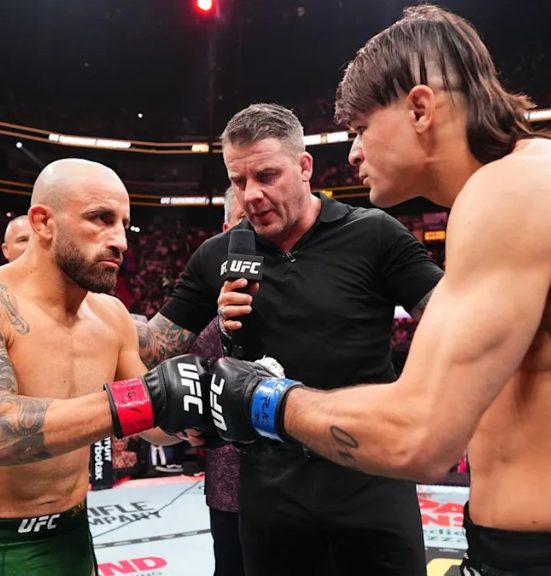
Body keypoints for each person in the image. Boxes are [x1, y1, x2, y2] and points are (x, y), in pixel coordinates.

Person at [209, 6, 551, 575]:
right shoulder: (529, 183)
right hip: (546, 549)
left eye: (360, 129)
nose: (354, 152)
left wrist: (261, 398)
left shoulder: (515, 190)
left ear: (419, 108)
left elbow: (419, 436)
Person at [139, 103, 442, 576]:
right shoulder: (217, 256)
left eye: (266, 175)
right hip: (270, 494)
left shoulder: (373, 234)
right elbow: (152, 349)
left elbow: (454, 324)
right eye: (238, 181)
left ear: (304, 167)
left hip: (371, 480)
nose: (251, 195)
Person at [0, 158, 219, 576]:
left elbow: (151, 421)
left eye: (124, 224)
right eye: (101, 219)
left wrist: (199, 413)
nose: (120, 241)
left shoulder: (111, 315)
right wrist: (148, 398)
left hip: (72, 535)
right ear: (43, 222)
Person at [186, 186, 248, 576]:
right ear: (226, 233)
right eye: (244, 222)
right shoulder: (206, 321)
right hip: (231, 490)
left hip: (309, 491)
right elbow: (185, 394)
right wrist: (190, 426)